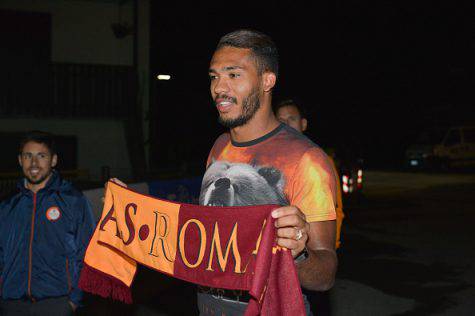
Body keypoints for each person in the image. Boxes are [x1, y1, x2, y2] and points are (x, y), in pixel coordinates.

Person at [198, 29, 338, 315]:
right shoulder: (218, 147)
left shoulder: (306, 160)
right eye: (214, 77)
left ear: (267, 80)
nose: (219, 88)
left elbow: (325, 276)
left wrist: (298, 253)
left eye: (233, 75)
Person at [0, 131, 95, 316]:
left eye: (41, 156)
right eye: (28, 156)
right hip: (11, 305)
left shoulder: (73, 200)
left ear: (53, 160)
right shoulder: (7, 205)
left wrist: (74, 300)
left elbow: (88, 253)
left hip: (56, 305)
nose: (34, 163)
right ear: (20, 160)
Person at [275, 99, 345, 249]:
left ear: (303, 124)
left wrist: (326, 253)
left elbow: (334, 211)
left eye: (291, 119)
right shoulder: (269, 162)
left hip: (308, 252)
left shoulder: (316, 161)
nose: (286, 125)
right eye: (281, 121)